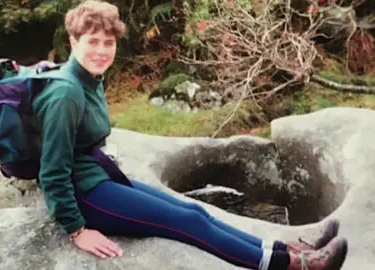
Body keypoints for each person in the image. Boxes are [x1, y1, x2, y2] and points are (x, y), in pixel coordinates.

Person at [31, 1, 348, 269]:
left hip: (95, 175)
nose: (101, 51)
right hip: (85, 195)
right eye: (92, 41)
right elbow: (52, 172)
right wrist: (76, 230)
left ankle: (286, 248)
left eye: (108, 42)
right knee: (188, 223)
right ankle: (291, 265)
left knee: (194, 209)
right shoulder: (66, 94)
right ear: (73, 42)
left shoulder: (90, 79)